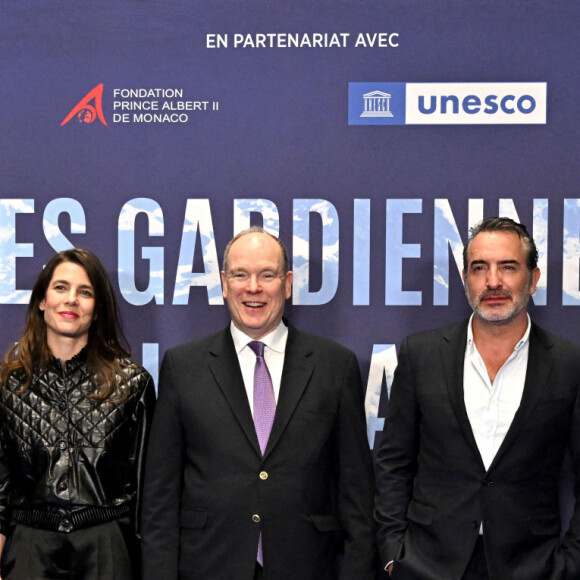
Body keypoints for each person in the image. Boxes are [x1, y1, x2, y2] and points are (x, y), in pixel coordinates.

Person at [142, 227, 376, 580]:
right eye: (240, 275)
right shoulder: (182, 366)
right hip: (208, 566)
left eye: (267, 275)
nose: (253, 287)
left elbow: (356, 496)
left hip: (308, 567)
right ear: (224, 282)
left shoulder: (335, 366)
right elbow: (159, 499)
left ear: (287, 283)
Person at [375, 216, 580, 580]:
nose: (493, 281)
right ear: (466, 280)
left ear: (533, 279)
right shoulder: (421, 355)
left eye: (508, 267)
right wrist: (394, 553)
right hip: (427, 565)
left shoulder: (569, 364)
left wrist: (569, 564)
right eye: (479, 268)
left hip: (531, 567)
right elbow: (393, 462)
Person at [0, 248, 155, 580]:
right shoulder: (8, 385)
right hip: (29, 549)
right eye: (60, 288)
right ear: (42, 301)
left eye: (85, 292)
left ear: (97, 309)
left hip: (107, 546)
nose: (71, 300)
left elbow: (148, 495)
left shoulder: (133, 384)